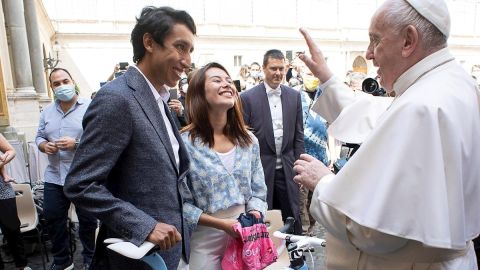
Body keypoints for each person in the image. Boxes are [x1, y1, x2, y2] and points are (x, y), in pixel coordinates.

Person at [293, 0, 480, 269]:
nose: (368, 54)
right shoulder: (453, 83)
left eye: (375, 40)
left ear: (408, 40)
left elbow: (371, 231)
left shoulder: (422, 105)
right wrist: (328, 80)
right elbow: (381, 114)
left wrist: (323, 183)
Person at [63, 6, 196, 270]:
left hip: (172, 254)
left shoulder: (161, 99)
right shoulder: (117, 98)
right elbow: (81, 184)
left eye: (190, 50)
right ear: (149, 43)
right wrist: (144, 226)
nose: (187, 60)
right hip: (135, 257)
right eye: (180, 47)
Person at [180, 62, 268, 268]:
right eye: (217, 80)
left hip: (245, 238)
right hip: (204, 240)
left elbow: (258, 192)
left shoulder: (249, 141)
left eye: (229, 80)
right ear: (198, 93)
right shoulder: (183, 144)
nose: (227, 84)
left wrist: (254, 215)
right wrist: (221, 225)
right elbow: (179, 204)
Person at [35, 67, 97, 270]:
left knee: (87, 221)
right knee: (52, 218)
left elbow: (100, 139)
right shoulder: (46, 113)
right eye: (56, 83)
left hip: (83, 176)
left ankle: (90, 258)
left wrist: (76, 144)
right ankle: (62, 261)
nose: (62, 86)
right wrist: (45, 146)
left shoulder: (90, 106)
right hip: (54, 176)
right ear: (51, 88)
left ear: (73, 81)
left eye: (65, 81)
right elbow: (39, 137)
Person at [241, 49, 305, 234]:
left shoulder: (294, 96)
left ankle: (294, 256)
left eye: (281, 69)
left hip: (288, 168)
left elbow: (298, 137)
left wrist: (300, 166)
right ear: (263, 69)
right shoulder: (247, 98)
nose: (278, 73)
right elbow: (244, 140)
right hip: (261, 170)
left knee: (291, 215)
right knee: (264, 218)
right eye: (273, 68)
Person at [0, 134, 31, 270]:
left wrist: (2, 162)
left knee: (13, 229)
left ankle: (22, 265)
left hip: (2, 189)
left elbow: (10, 151)